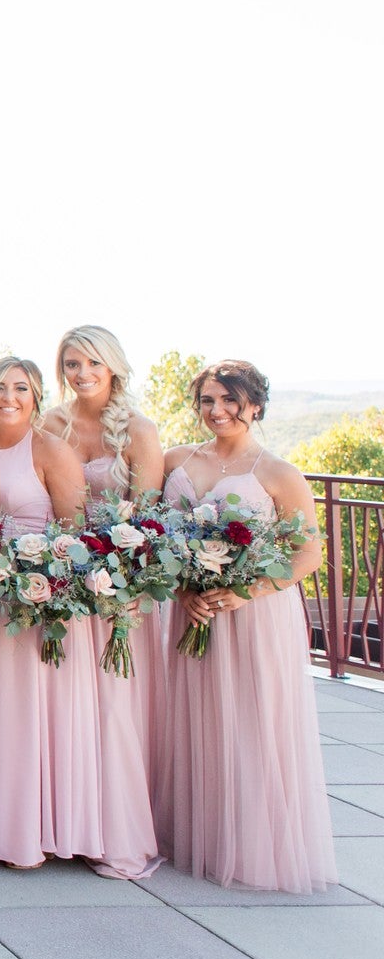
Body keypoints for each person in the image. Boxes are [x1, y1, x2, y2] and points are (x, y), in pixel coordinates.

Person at [159, 361, 335, 892]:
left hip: (253, 615)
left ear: (255, 405)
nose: (218, 411)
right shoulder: (174, 459)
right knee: (198, 720)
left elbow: (308, 554)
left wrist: (244, 592)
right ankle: (203, 834)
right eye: (208, 400)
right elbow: (154, 535)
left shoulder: (279, 473)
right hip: (193, 609)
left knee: (252, 723)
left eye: (230, 400)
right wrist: (184, 591)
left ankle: (253, 844)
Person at [40, 325, 169, 868]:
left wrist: (124, 584)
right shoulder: (51, 424)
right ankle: (68, 827)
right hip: (64, 584)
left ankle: (117, 834)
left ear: (113, 365)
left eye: (93, 362)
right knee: (66, 707)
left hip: (122, 591)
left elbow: (149, 519)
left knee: (115, 708)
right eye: (72, 363)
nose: (83, 373)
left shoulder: (138, 430)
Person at [0, 355, 106, 871]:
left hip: (39, 599)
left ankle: (39, 832)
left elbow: (75, 534)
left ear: (35, 396)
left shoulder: (51, 450)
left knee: (34, 710)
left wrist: (42, 584)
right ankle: (0, 827)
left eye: (21, 388)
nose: (9, 398)